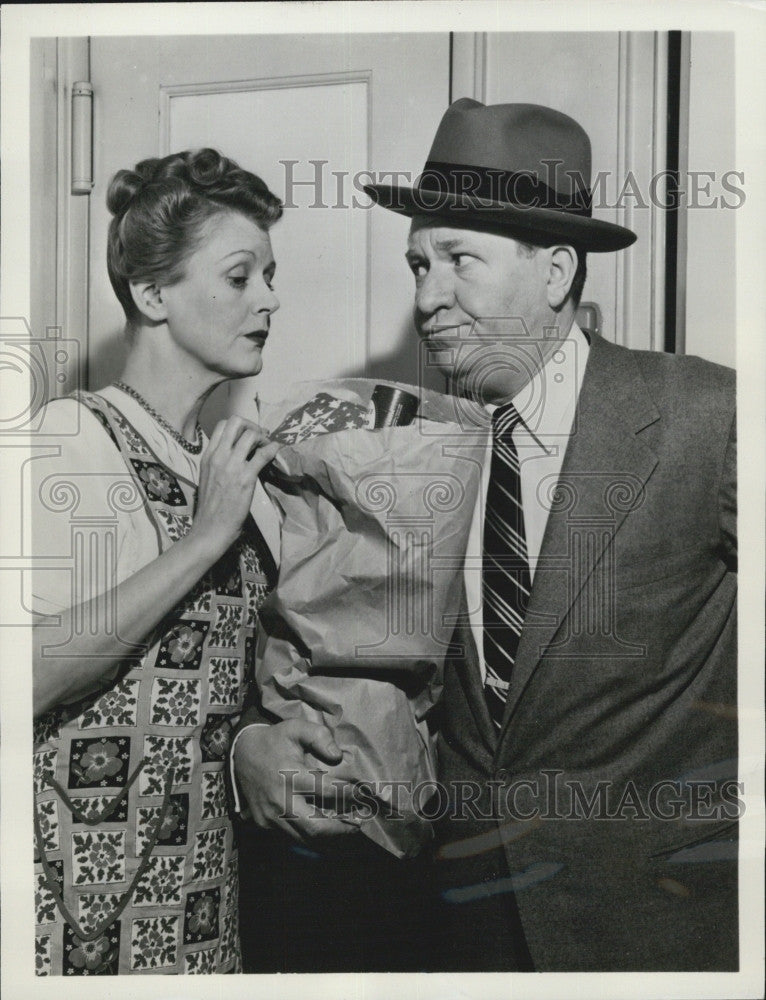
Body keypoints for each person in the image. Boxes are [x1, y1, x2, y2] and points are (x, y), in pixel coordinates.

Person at [236, 99, 738, 973]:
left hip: (662, 940)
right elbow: (331, 656)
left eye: (460, 260)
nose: (428, 298)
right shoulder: (397, 447)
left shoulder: (708, 416)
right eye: (418, 264)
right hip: (458, 934)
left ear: (555, 271)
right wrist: (258, 742)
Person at [31, 148, 285, 975]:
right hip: (84, 913)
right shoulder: (73, 438)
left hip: (204, 903)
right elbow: (22, 677)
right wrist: (207, 538)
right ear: (151, 294)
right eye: (241, 277)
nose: (269, 301)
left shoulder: (221, 461)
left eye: (269, 277)